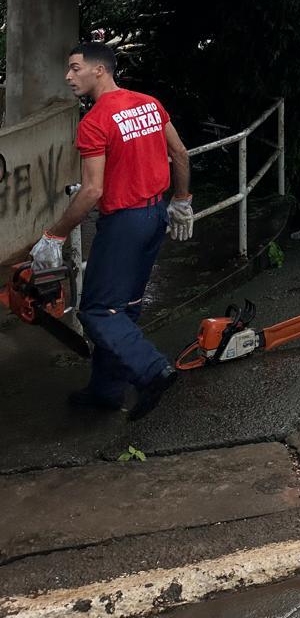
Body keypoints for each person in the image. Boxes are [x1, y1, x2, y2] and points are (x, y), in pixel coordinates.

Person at [29, 42, 195, 421]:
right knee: (125, 307)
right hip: (155, 216)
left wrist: (54, 235)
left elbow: (92, 191)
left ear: (99, 70)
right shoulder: (149, 104)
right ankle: (106, 390)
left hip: (124, 225)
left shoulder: (94, 122)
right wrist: (182, 199)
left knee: (97, 311)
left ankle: (153, 370)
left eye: (75, 68)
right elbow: (181, 154)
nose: (69, 77)